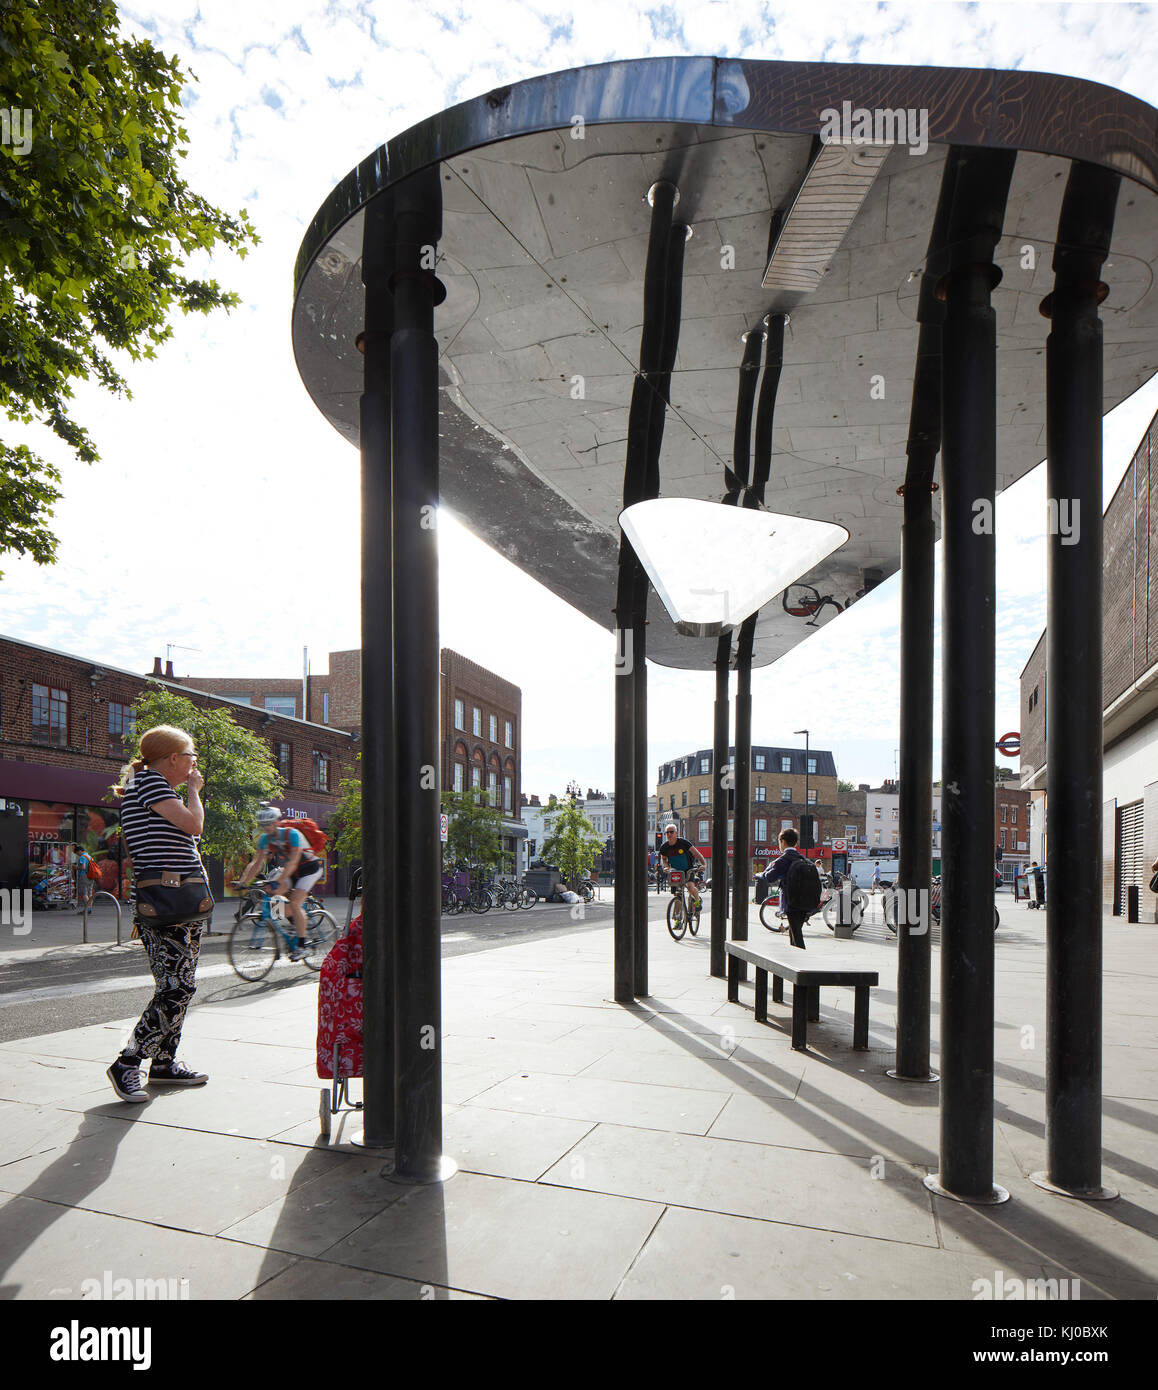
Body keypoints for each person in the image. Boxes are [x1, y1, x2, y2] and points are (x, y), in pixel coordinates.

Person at [105, 725, 209, 1102]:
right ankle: (128, 1063)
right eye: (191, 755)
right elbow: (195, 825)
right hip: (169, 902)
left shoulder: (149, 786)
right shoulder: (150, 783)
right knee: (177, 987)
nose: (195, 763)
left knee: (178, 986)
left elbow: (185, 836)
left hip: (177, 900)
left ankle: (164, 1064)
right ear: (172, 758)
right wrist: (195, 792)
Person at [235, 806, 323, 960]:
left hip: (310, 869)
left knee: (295, 903)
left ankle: (302, 946)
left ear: (277, 821)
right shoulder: (265, 839)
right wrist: (243, 882)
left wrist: (279, 881)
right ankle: (291, 925)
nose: (266, 827)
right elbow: (257, 863)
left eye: (268, 823)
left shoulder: (291, 834)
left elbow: (294, 860)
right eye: (263, 824)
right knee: (272, 896)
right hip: (292, 872)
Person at [765, 827, 810, 949]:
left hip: (791, 901)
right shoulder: (802, 859)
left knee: (796, 934)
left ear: (783, 841)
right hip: (805, 900)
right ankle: (795, 958)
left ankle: (800, 961)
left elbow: (769, 877)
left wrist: (768, 867)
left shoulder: (783, 859)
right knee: (794, 931)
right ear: (795, 843)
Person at [656, 824, 706, 916]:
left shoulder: (684, 843)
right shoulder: (664, 847)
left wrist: (703, 864)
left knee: (690, 887)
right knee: (677, 895)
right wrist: (666, 867)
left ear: (676, 833)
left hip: (688, 869)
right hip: (675, 872)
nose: (669, 834)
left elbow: (697, 854)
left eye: (671, 832)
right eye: (667, 832)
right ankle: (678, 918)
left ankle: (698, 901)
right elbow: (664, 859)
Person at [73, 843, 95, 913]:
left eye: (77, 853)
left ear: (79, 851)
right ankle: (90, 908)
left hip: (84, 876)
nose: (77, 854)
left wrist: (76, 867)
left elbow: (83, 867)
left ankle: (87, 909)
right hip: (91, 876)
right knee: (90, 893)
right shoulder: (89, 856)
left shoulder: (82, 857)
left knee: (84, 893)